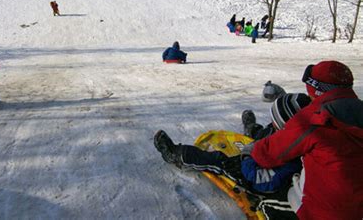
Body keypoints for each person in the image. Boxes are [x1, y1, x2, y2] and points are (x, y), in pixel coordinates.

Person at [250, 61, 363, 219]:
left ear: (316, 88)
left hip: (327, 212)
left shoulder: (313, 118)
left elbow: (268, 153)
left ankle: (256, 132)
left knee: (289, 187)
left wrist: (251, 149)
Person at [154, 93, 311, 195]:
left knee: (217, 160)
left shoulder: (293, 162)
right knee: (266, 132)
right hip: (269, 147)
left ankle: (177, 155)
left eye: (275, 122)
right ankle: (252, 129)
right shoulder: (298, 137)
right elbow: (276, 131)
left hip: (251, 173)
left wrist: (245, 159)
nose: (272, 123)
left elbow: (262, 180)